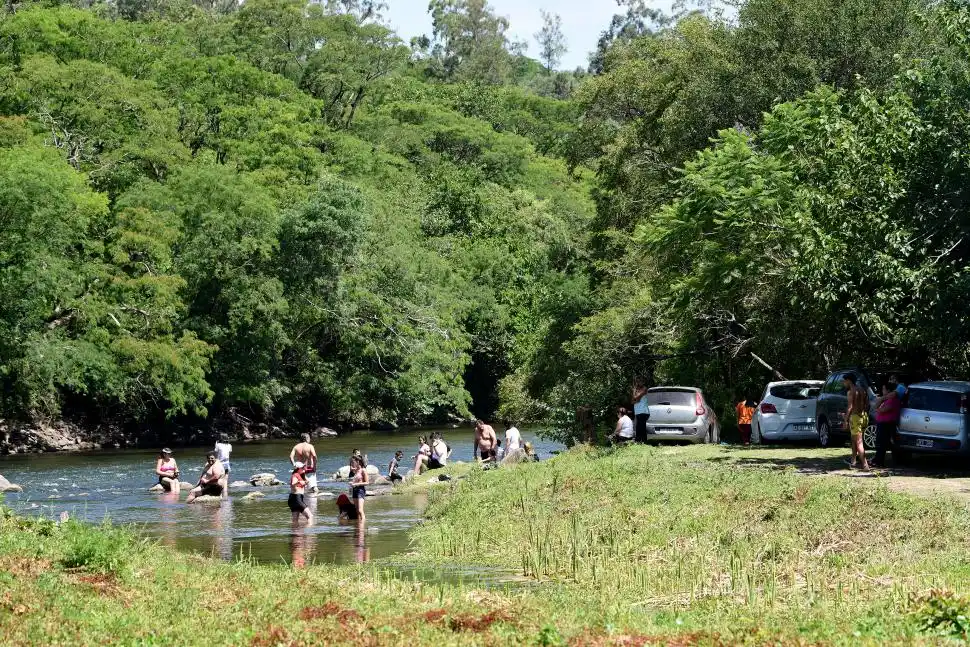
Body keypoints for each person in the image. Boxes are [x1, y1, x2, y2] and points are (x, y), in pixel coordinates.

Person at [844, 373, 871, 471]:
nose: (843, 383)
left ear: (849, 381)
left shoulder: (851, 392)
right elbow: (867, 404)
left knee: (859, 442)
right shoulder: (862, 390)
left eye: (844, 381)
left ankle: (865, 465)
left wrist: (845, 420)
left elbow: (850, 407)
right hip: (863, 416)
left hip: (855, 418)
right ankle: (853, 461)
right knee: (854, 439)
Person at [873, 382, 901, 468]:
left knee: (882, 443)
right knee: (881, 442)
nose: (882, 391)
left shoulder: (893, 400)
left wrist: (878, 408)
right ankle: (878, 460)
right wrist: (882, 399)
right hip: (882, 423)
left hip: (887, 424)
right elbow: (876, 406)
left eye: (883, 389)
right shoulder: (886, 399)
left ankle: (880, 461)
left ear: (888, 390)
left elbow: (883, 410)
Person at [349, 455, 368, 521]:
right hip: (354, 490)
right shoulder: (356, 470)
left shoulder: (363, 470)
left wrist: (356, 484)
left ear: (358, 462)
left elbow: (367, 482)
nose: (353, 463)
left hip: (360, 490)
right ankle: (359, 524)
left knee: (360, 510)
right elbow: (356, 479)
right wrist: (352, 483)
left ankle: (363, 524)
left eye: (354, 462)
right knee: (357, 510)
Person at [632, 378, 651, 443]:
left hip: (643, 411)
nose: (638, 383)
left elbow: (636, 397)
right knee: (639, 426)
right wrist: (635, 398)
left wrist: (634, 393)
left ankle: (640, 440)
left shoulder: (644, 389)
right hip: (638, 411)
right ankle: (641, 440)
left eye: (640, 381)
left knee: (641, 426)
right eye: (637, 382)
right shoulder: (636, 390)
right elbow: (632, 401)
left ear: (643, 382)